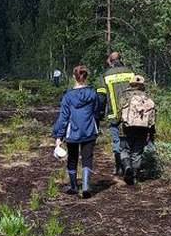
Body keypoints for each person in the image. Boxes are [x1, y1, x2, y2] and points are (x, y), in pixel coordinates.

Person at [52, 64, 105, 198]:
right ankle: (86, 186)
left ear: (73, 77)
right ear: (86, 77)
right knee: (87, 158)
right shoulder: (93, 93)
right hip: (89, 131)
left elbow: (63, 117)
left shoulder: (68, 96)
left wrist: (59, 136)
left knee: (73, 158)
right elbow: (97, 112)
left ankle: (74, 187)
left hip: (72, 133)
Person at [98, 51, 138, 176]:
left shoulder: (105, 75)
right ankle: (132, 167)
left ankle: (119, 167)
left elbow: (101, 96)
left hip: (114, 115)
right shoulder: (131, 73)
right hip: (131, 114)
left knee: (117, 142)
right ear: (121, 59)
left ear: (110, 61)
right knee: (130, 140)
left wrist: (99, 112)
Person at [118, 75, 157, 185]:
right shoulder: (147, 97)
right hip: (143, 129)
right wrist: (151, 131)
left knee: (125, 150)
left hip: (126, 129)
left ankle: (127, 167)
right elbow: (153, 116)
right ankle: (134, 175)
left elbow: (119, 113)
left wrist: (116, 123)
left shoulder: (125, 95)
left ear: (130, 84)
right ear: (142, 85)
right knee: (137, 152)